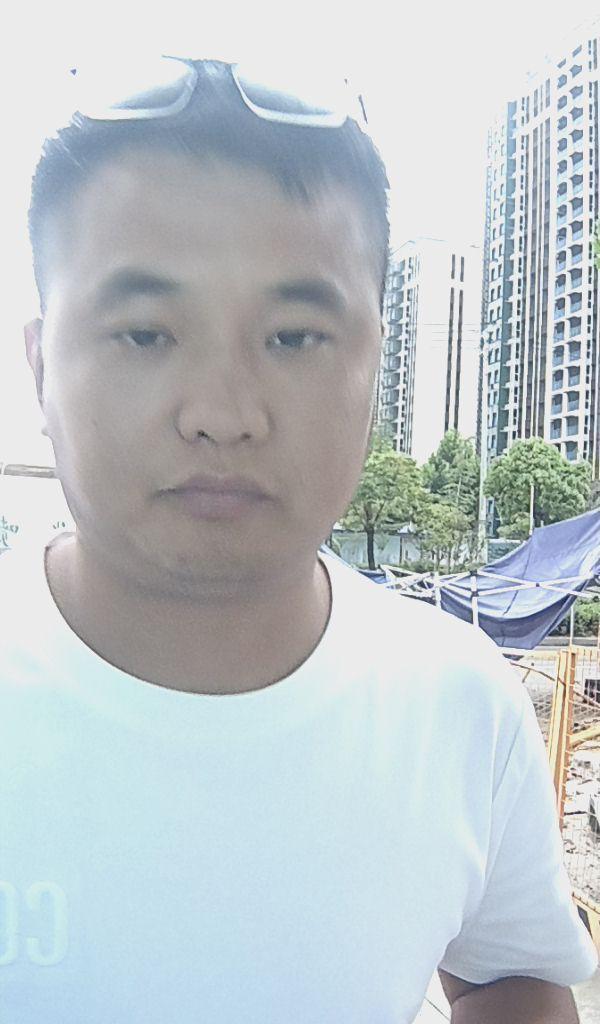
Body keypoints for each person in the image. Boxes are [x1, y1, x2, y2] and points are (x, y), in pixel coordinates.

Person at [1, 56, 597, 1023]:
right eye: (146, 333)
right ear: (39, 367)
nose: (223, 413)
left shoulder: (459, 700)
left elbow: (513, 977)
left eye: (293, 337)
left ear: (374, 363)